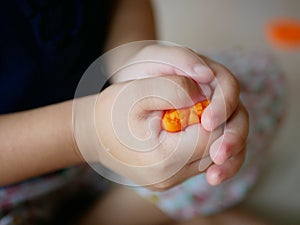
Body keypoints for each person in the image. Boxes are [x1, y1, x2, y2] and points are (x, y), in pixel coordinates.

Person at [0, 0, 285, 224]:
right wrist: (88, 132)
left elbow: (122, 2)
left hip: (117, 129)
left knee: (246, 91)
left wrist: (131, 59)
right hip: (15, 182)